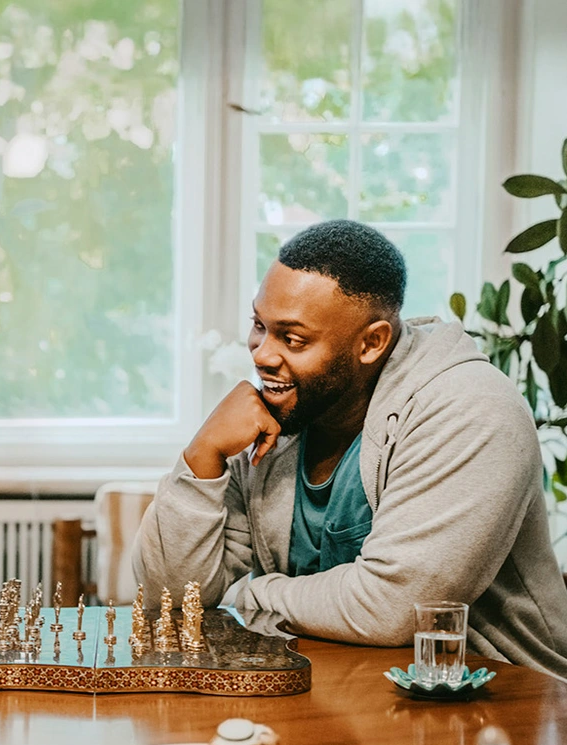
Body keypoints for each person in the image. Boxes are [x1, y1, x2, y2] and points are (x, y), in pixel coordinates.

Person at [132, 219, 567, 677]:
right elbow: (172, 598)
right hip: (333, 691)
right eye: (259, 325)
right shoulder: (281, 409)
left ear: (371, 343)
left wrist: (251, 595)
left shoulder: (471, 408)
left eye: (292, 338)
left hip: (503, 702)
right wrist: (202, 456)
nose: (261, 354)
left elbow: (392, 607)